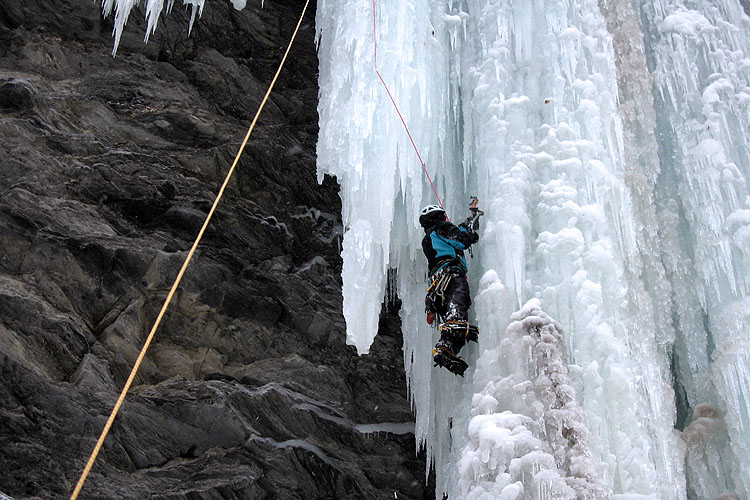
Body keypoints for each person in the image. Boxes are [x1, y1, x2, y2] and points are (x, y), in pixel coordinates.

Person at [419, 204, 480, 376]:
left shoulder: (429, 238)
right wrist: (469, 233)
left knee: (458, 329)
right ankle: (454, 319)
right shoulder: (441, 227)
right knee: (459, 297)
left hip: (437, 286)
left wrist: (469, 222)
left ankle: (446, 347)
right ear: (440, 216)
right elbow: (461, 240)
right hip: (449, 275)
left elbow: (456, 234)